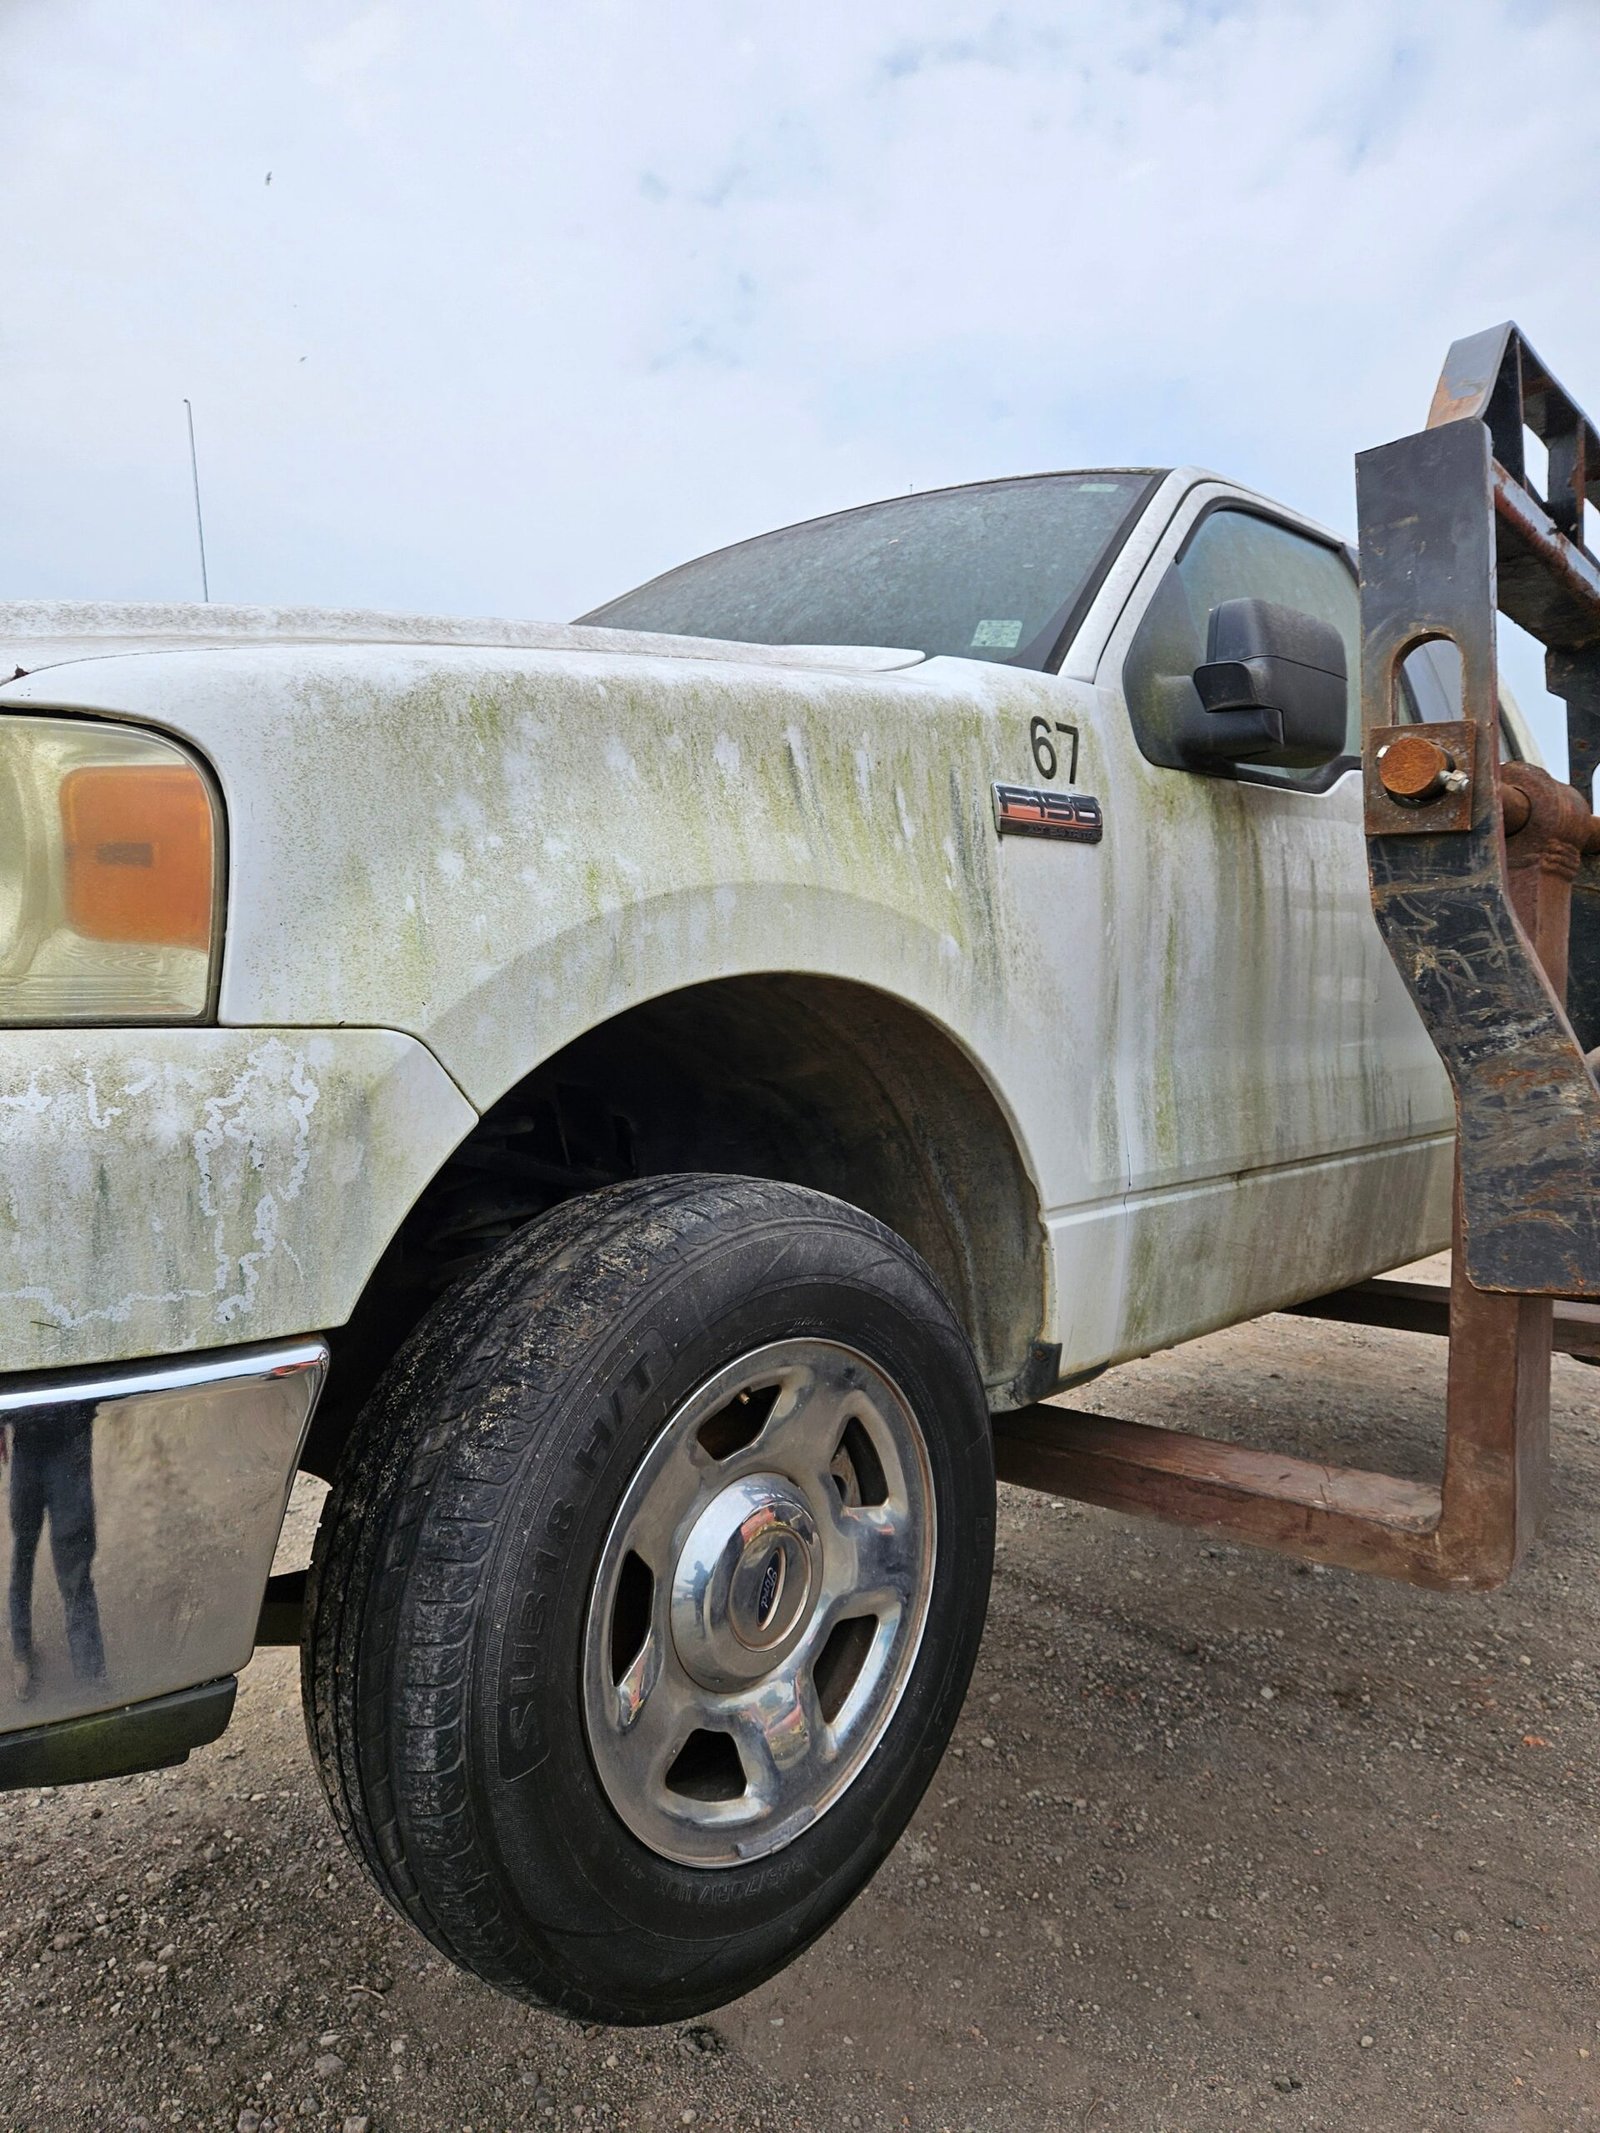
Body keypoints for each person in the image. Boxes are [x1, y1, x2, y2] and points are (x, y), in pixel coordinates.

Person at [6, 1400, 106, 1702]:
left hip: (68, 1437)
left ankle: (90, 1678)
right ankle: (22, 1656)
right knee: (24, 1553)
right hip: (28, 1440)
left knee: (73, 1566)